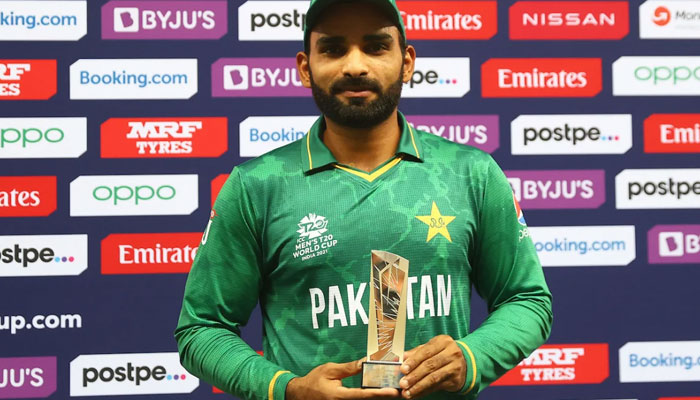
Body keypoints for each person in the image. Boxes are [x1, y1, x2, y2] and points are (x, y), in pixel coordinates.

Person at [174, 0, 553, 399]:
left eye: (375, 47)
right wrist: (287, 389)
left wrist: (471, 357)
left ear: (407, 62)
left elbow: (526, 299)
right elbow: (202, 329)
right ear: (305, 67)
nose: (355, 65)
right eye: (334, 49)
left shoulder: (470, 172)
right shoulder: (256, 186)